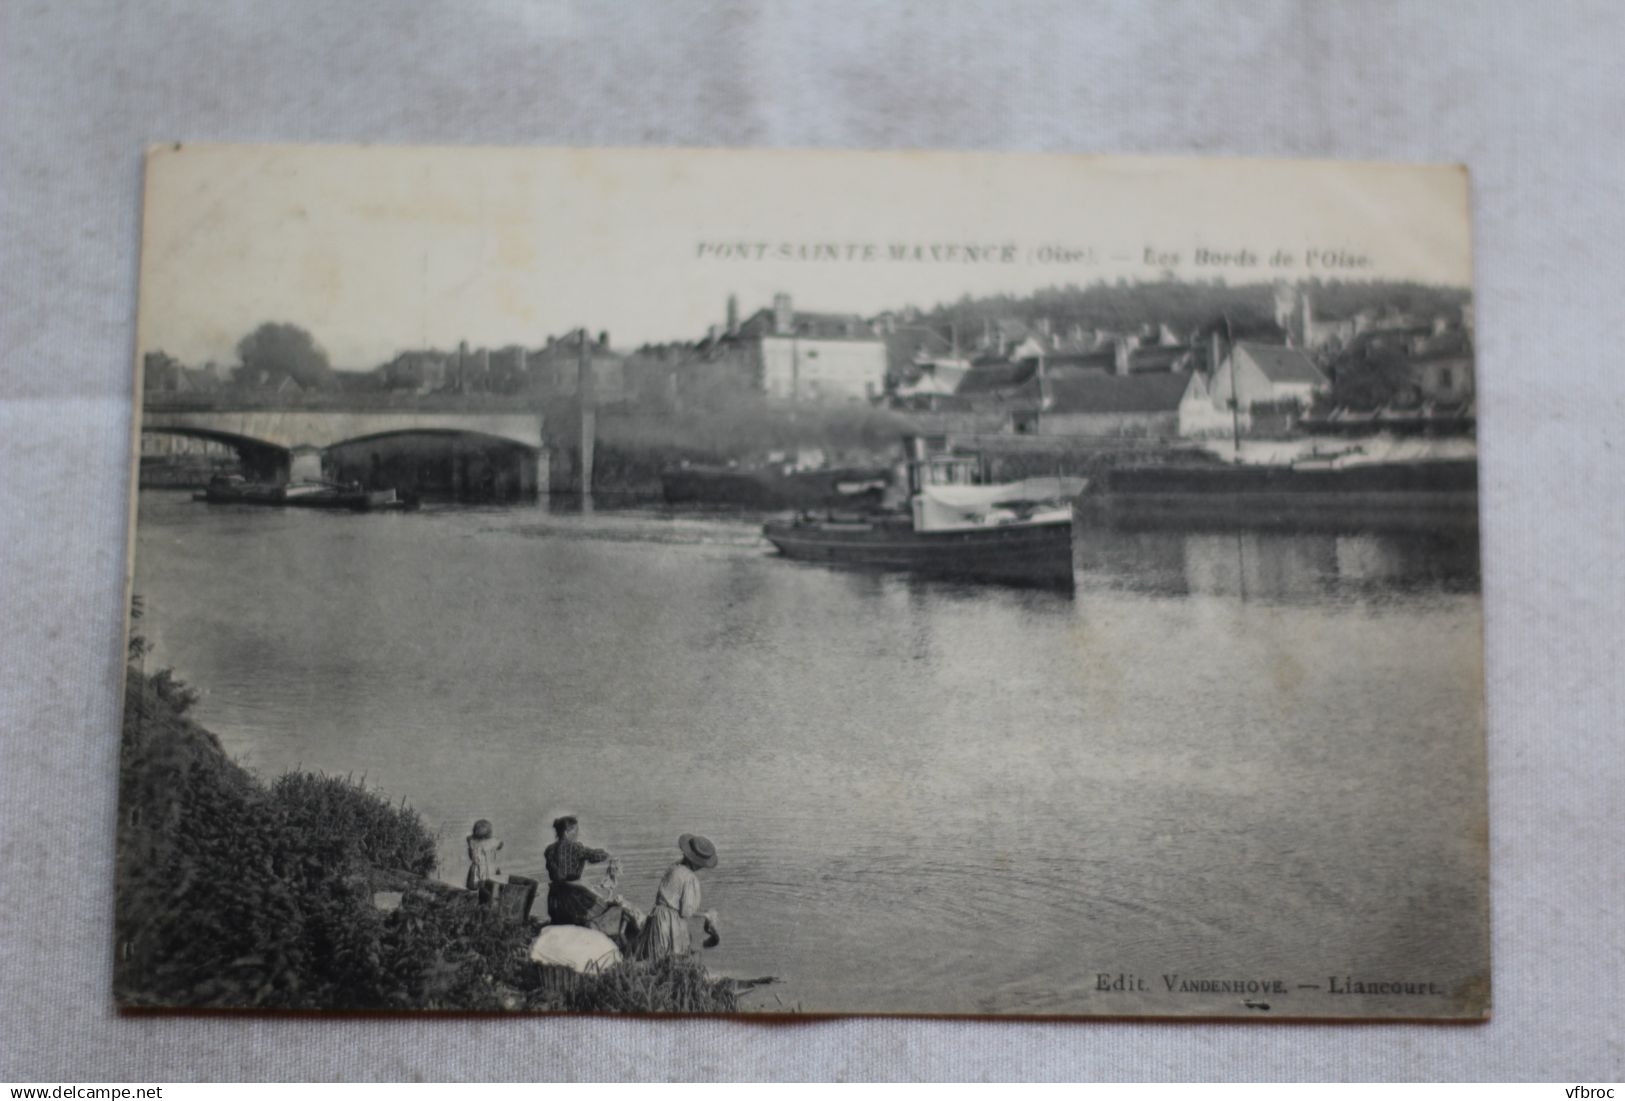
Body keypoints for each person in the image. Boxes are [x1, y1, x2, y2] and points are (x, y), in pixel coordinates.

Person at [635, 833, 719, 960]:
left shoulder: (673, 868)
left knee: (656, 956)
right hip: (671, 923)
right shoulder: (690, 878)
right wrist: (706, 915)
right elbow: (686, 912)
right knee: (673, 957)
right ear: (698, 863)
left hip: (657, 917)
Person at [543, 815, 615, 926]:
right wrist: (607, 854)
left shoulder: (549, 850)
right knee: (605, 911)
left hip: (555, 899)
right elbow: (595, 856)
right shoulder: (576, 848)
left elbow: (558, 874)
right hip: (574, 897)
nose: (577, 834)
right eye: (575, 830)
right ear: (566, 832)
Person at [465, 819, 504, 905]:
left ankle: (480, 903)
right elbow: (501, 845)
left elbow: (470, 853)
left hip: (477, 869)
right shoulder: (493, 842)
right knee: (491, 887)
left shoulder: (472, 841)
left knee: (479, 888)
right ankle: (490, 903)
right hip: (490, 868)